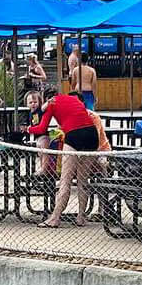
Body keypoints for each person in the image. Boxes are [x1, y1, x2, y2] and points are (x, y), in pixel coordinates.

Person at [28, 90, 109, 227]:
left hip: (74, 135)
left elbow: (42, 128)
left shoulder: (52, 104)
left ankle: (55, 218)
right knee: (82, 181)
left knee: (65, 180)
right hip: (91, 135)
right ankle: (81, 217)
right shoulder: (74, 100)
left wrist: (29, 129)